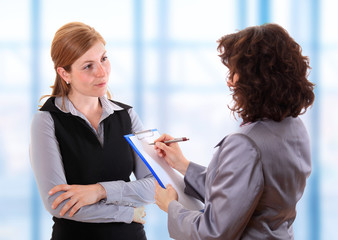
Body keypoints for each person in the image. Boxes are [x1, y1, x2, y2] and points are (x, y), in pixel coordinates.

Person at [153, 23, 315, 240]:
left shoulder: (246, 144)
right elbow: (243, 194)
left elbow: (213, 233)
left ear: (257, 80)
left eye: (234, 72)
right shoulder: (294, 127)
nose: (229, 81)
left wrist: (171, 206)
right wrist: (183, 165)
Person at [29, 22, 155, 240]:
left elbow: (154, 187)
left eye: (103, 59)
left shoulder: (127, 115)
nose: (101, 72)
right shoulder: (46, 121)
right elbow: (59, 204)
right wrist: (128, 212)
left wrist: (99, 191)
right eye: (88, 66)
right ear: (64, 73)